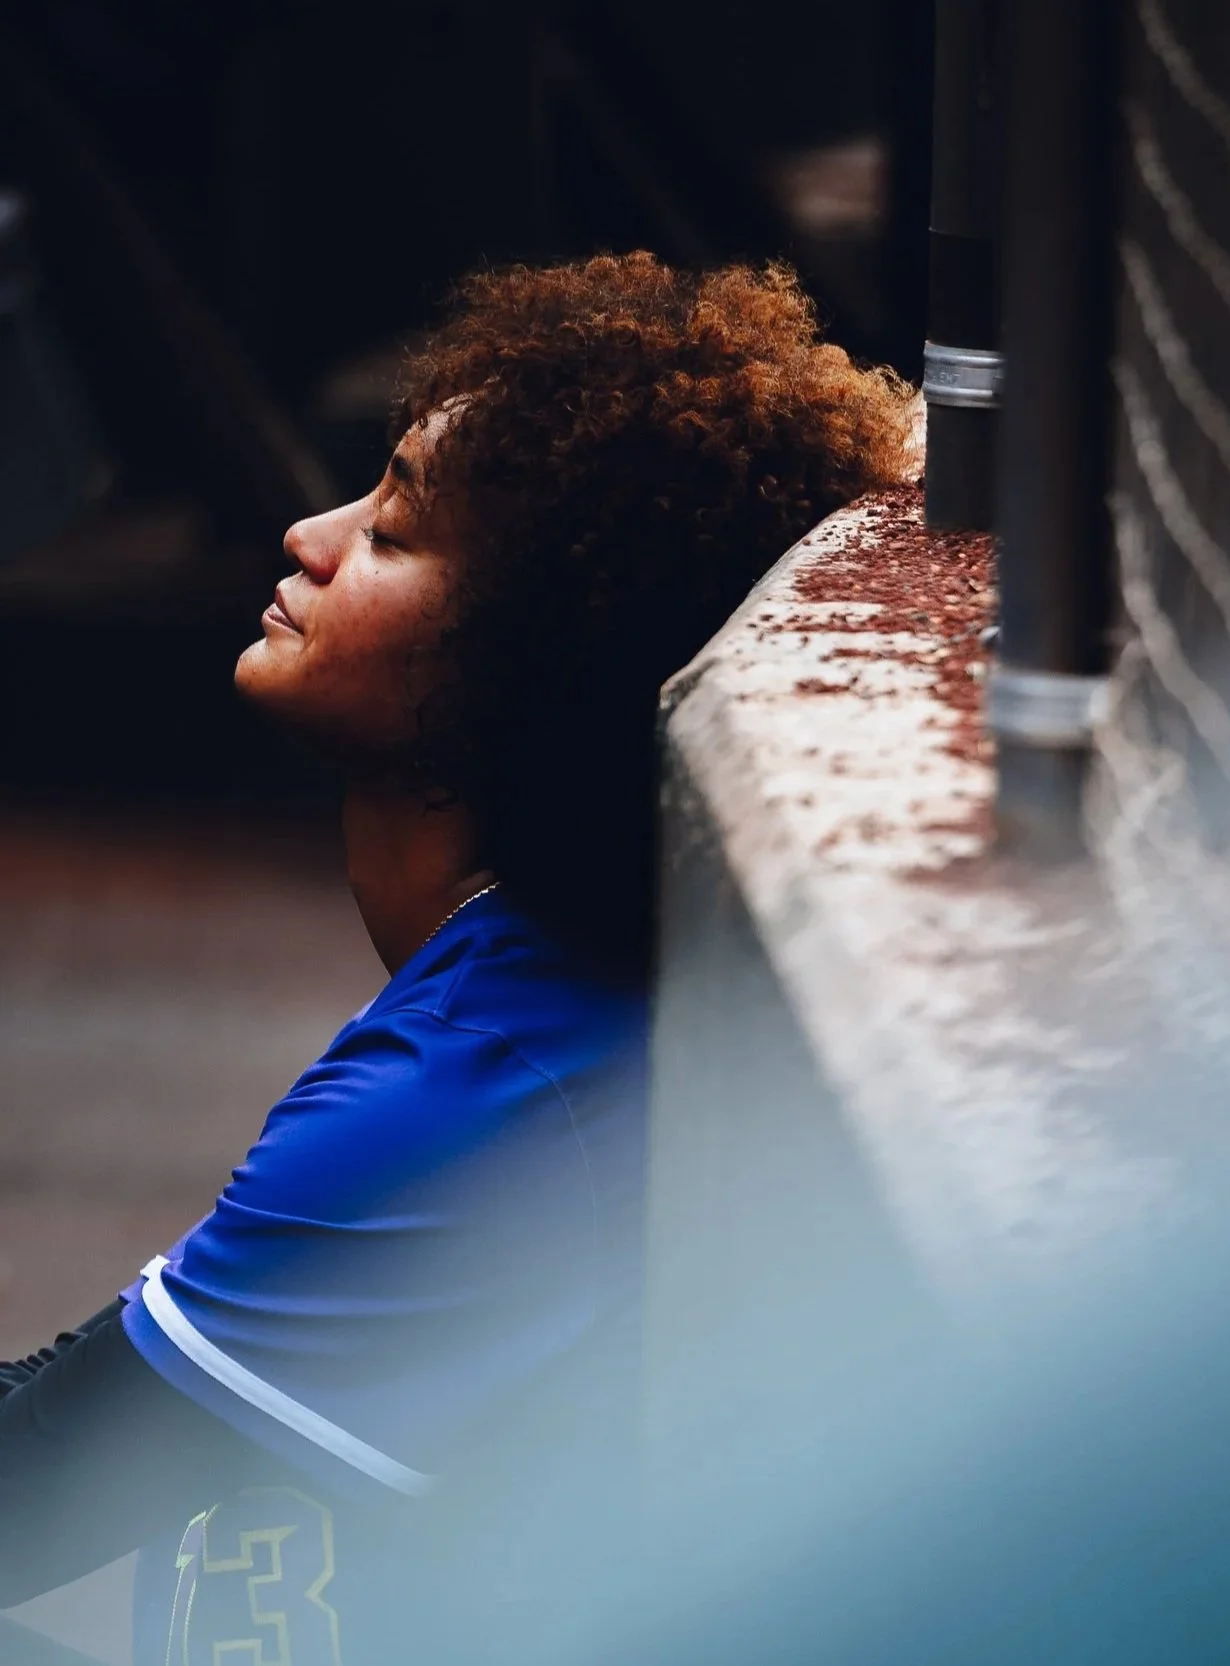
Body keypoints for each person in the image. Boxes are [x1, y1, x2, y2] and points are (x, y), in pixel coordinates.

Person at [0, 252, 915, 1663]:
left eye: (393, 532)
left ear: (543, 653)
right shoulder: (539, 991)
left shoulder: (481, 1084)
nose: (309, 535)